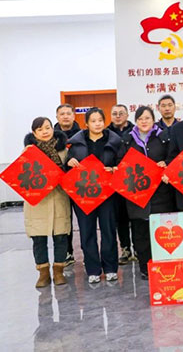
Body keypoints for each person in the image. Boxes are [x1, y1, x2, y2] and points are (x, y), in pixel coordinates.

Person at [115, 106, 174, 279]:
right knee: (140, 233)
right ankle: (145, 268)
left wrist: (166, 163)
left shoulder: (163, 137)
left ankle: (163, 265)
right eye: (140, 119)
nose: (144, 121)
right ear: (136, 121)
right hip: (137, 194)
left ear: (153, 119)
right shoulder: (127, 139)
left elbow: (172, 157)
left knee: (162, 231)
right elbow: (120, 162)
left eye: (147, 118)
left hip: (161, 193)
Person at [66, 108, 122, 284]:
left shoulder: (114, 141)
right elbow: (67, 168)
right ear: (86, 124)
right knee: (87, 231)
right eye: (93, 121)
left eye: (100, 120)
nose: (97, 124)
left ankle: (111, 268)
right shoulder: (76, 144)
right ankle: (92, 270)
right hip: (84, 195)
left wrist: (114, 169)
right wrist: (69, 162)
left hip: (107, 194)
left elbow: (122, 164)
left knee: (108, 230)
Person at [23, 117, 71, 288]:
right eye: (40, 129)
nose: (45, 132)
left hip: (59, 198)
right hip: (37, 201)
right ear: (34, 133)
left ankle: (59, 271)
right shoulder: (28, 151)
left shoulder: (64, 150)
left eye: (48, 128)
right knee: (38, 239)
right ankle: (43, 273)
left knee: (60, 237)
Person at [107, 104, 135, 265]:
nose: (118, 116)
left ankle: (138, 249)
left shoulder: (135, 131)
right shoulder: (106, 133)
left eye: (121, 113)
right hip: (115, 180)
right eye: (114, 113)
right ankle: (125, 248)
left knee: (136, 216)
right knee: (120, 217)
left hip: (134, 179)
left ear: (127, 115)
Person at [54, 103, 80, 266]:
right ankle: (67, 252)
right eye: (62, 114)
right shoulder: (51, 137)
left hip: (80, 185)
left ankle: (87, 252)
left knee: (84, 220)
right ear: (57, 117)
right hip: (59, 187)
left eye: (68, 113)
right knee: (63, 220)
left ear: (73, 116)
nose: (65, 116)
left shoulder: (82, 135)